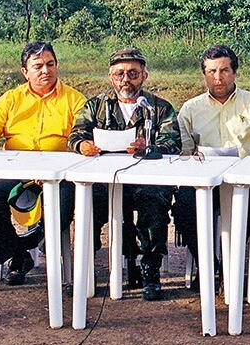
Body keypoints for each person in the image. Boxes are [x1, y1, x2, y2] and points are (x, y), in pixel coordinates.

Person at [0, 41, 87, 286]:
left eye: (50, 64)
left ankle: (36, 243)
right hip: (17, 170)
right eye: (38, 66)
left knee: (63, 208)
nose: (46, 70)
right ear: (25, 71)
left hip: (59, 174)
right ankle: (18, 255)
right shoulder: (10, 99)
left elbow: (83, 134)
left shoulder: (74, 99)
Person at [68, 47, 181, 301]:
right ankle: (85, 270)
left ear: (144, 75)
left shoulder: (159, 108)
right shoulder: (97, 106)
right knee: (87, 201)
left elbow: (172, 142)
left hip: (146, 179)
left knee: (155, 201)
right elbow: (76, 134)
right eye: (119, 74)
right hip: (106, 181)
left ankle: (150, 269)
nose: (125, 80)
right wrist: (82, 145)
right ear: (111, 77)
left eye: (132, 73)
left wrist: (149, 147)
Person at [173, 44, 250, 290]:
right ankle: (208, 265)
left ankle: (234, 267)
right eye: (211, 71)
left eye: (224, 70)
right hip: (205, 182)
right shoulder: (190, 109)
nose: (218, 77)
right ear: (204, 74)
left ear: (235, 72)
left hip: (246, 183)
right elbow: (184, 153)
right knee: (183, 207)